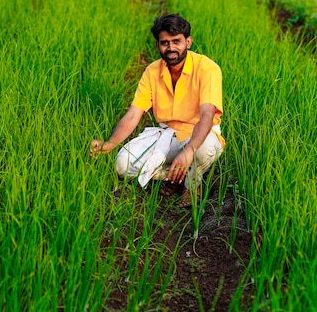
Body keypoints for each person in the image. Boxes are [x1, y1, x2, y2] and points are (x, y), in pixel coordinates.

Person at [90, 13, 225, 204]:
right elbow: (133, 115)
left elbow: (207, 116)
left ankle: (192, 185)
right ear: (157, 45)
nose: (171, 48)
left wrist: (188, 152)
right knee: (122, 165)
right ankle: (175, 175)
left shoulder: (207, 68)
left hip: (200, 134)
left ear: (188, 42)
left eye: (176, 41)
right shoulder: (152, 71)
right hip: (167, 135)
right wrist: (109, 144)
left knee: (204, 149)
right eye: (165, 43)